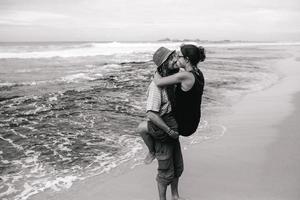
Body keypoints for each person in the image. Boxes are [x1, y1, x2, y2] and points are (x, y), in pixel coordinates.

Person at [137, 47, 183, 200]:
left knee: (177, 168)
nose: (175, 59)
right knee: (165, 173)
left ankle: (175, 196)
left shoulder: (171, 78)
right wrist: (169, 130)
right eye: (171, 58)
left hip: (172, 126)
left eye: (174, 56)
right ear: (163, 65)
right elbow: (151, 114)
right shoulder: (156, 87)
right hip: (163, 129)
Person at [154, 44, 205, 137]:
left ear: (187, 59)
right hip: (193, 122)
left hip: (182, 125)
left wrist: (159, 67)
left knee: (142, 128)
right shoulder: (198, 73)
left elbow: (158, 82)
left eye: (179, 56)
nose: (177, 58)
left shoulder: (185, 76)